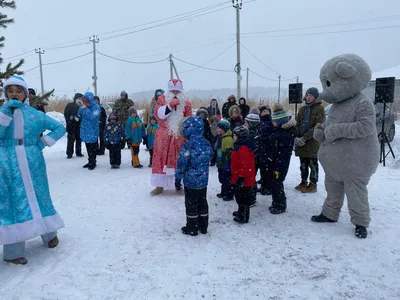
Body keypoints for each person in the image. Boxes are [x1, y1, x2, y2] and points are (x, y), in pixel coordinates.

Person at [311, 54, 379, 239]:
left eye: (329, 85)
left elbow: (364, 127)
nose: (326, 91)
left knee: (355, 192)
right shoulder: (336, 106)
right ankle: (329, 214)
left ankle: (361, 222)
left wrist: (334, 131)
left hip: (355, 162)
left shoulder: (363, 103)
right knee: (332, 188)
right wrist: (321, 129)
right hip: (336, 163)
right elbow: (331, 124)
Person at [0, 75, 66, 265]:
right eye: (10, 90)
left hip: (32, 160)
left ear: (24, 93)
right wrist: (5, 113)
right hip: (8, 161)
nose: (14, 94)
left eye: (18, 90)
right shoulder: (2, 113)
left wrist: (41, 143)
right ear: (6, 93)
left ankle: (49, 234)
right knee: (15, 200)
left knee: (39, 195)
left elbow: (59, 128)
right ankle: (13, 251)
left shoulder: (34, 114)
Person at [151, 79, 192, 195]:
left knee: (180, 160)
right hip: (164, 134)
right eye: (173, 90)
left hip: (179, 136)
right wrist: (169, 106)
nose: (175, 93)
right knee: (160, 159)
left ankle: (179, 185)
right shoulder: (162, 99)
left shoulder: (186, 102)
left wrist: (186, 131)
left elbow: (188, 119)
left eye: (177, 91)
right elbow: (158, 114)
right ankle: (159, 186)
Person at [175, 116, 213, 236]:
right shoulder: (206, 143)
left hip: (191, 182)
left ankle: (192, 227)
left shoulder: (187, 146)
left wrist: (178, 177)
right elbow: (210, 156)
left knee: (191, 204)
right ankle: (203, 226)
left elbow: (182, 164)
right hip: (203, 181)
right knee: (202, 202)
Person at [294, 87, 325, 193]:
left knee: (312, 163)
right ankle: (303, 182)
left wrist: (305, 138)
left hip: (312, 141)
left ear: (315, 97)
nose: (308, 97)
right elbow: (297, 123)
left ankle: (313, 184)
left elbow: (318, 126)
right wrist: (297, 137)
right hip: (301, 141)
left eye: (310, 95)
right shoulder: (303, 109)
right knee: (303, 164)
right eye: (307, 95)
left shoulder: (319, 109)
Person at [266, 104, 296, 215]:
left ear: (279, 122)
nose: (272, 123)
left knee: (277, 183)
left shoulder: (283, 134)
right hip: (277, 161)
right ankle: (276, 202)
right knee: (275, 182)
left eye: (274, 121)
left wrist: (271, 157)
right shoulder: (281, 132)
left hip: (280, 162)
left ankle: (280, 205)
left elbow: (278, 149)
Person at [231, 126, 256, 224]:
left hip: (244, 178)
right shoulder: (239, 146)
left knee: (243, 198)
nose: (233, 137)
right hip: (239, 176)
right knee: (239, 196)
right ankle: (240, 211)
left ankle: (244, 216)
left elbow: (246, 165)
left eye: (235, 135)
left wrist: (241, 177)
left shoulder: (243, 148)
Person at [77, 92, 100, 170]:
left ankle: (93, 162)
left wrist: (85, 108)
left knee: (93, 147)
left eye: (86, 100)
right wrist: (78, 116)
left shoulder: (96, 107)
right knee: (88, 146)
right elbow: (79, 113)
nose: (85, 102)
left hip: (93, 130)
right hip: (85, 130)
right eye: (84, 100)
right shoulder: (83, 107)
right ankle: (90, 161)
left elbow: (92, 117)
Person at [244, 110, 261, 207]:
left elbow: (252, 149)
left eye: (246, 122)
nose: (244, 123)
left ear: (251, 123)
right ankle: (249, 196)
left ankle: (251, 198)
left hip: (253, 160)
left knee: (250, 179)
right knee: (250, 178)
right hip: (251, 160)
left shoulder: (254, 135)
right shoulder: (251, 132)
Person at [215, 119, 234, 201]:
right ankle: (223, 192)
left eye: (219, 128)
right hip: (220, 161)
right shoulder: (220, 137)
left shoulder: (227, 139)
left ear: (224, 129)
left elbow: (229, 154)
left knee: (227, 179)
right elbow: (216, 147)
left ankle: (229, 194)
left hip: (225, 163)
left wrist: (227, 164)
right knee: (222, 178)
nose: (217, 129)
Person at [258, 105, 274, 195]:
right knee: (262, 168)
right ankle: (263, 185)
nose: (266, 113)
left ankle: (268, 187)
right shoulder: (260, 122)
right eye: (264, 112)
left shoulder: (272, 122)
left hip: (269, 149)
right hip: (261, 149)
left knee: (269, 169)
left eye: (268, 112)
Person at [64, 93, 84, 159]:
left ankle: (78, 152)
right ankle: (69, 153)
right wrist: (71, 119)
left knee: (79, 140)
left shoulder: (82, 106)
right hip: (71, 126)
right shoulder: (70, 105)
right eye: (79, 98)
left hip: (79, 126)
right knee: (70, 140)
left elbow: (84, 115)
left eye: (81, 98)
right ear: (76, 98)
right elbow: (66, 114)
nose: (80, 99)